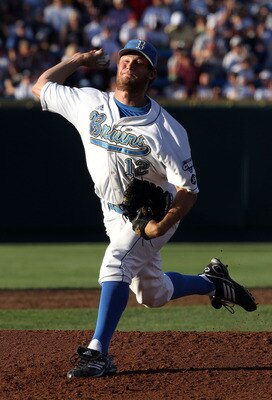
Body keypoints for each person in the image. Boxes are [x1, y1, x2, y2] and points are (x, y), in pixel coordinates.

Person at [32, 39, 257, 379]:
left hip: (153, 214)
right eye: (125, 59)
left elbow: (189, 190)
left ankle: (98, 353)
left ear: (151, 74)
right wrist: (77, 60)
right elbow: (41, 87)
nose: (129, 65)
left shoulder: (167, 130)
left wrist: (160, 226)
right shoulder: (90, 102)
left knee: (117, 261)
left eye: (139, 62)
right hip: (113, 212)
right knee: (152, 293)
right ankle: (212, 283)